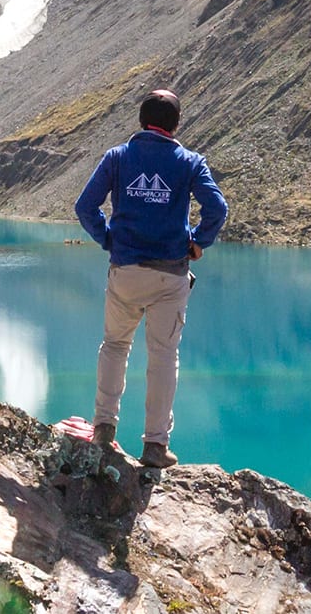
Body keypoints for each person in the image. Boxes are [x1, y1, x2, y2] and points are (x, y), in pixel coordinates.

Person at [74, 88, 228, 468]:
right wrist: (197, 242)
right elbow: (217, 208)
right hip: (169, 276)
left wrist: (109, 238)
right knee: (163, 356)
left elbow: (84, 206)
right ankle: (155, 447)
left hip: (125, 272)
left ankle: (104, 428)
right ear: (175, 125)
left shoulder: (118, 157)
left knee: (114, 345)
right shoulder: (190, 161)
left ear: (142, 121)